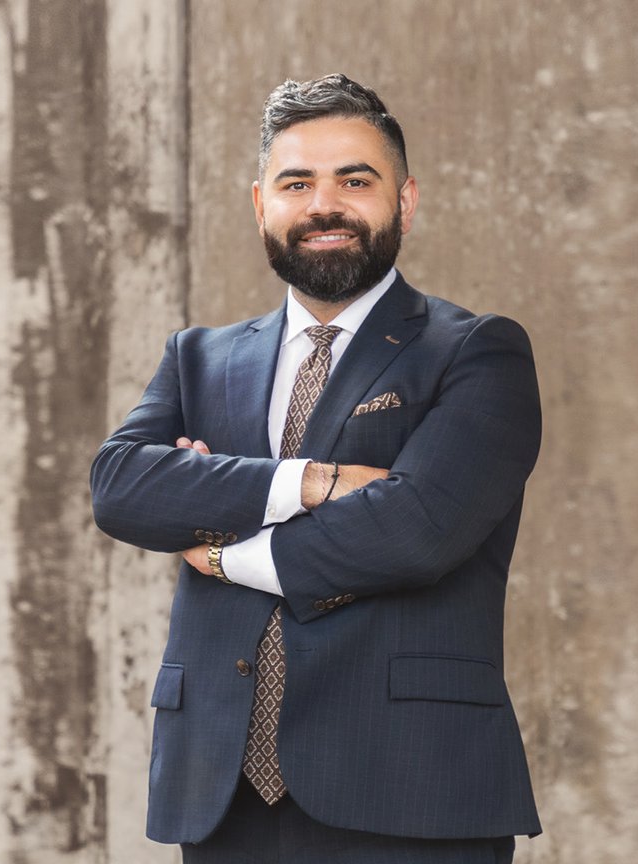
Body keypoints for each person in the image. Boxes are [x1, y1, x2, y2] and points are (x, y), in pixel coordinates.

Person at [90, 73, 542, 863]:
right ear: (260, 204)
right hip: (221, 792)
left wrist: (224, 551)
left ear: (404, 201)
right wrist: (307, 482)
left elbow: (414, 531)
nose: (323, 205)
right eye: (296, 183)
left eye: (354, 181)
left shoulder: (475, 353)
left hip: (408, 786)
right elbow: (121, 488)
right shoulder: (197, 359)